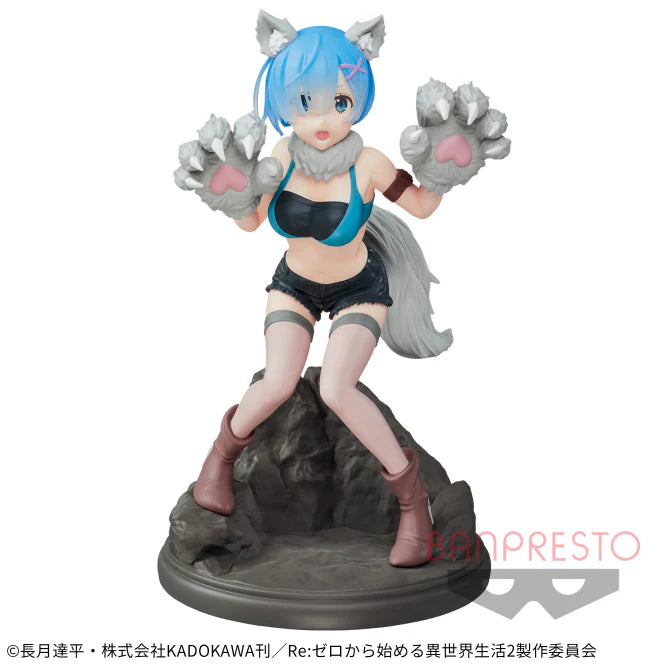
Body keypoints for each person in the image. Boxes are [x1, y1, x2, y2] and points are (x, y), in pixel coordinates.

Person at [173, 11, 510, 567]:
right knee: (277, 382)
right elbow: (252, 222)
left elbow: (421, 205)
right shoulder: (281, 158)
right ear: (285, 102)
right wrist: (229, 194)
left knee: (337, 389)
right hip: (295, 285)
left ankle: (413, 504)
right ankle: (220, 459)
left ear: (359, 99)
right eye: (306, 102)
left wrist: (444, 168)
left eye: (340, 101)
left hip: (358, 287)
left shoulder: (370, 164)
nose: (324, 118)